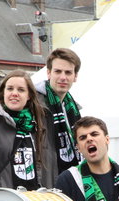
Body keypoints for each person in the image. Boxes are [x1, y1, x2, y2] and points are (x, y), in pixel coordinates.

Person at [0, 69, 48, 189]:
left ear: (29, 95)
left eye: (21, 90)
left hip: (28, 200)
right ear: (3, 92)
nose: (14, 93)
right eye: (10, 88)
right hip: (0, 199)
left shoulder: (35, 124)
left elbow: (37, 163)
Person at [36, 48, 82, 180]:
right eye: (58, 71)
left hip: (68, 181)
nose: (63, 77)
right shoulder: (32, 105)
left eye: (68, 72)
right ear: (49, 73)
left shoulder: (74, 109)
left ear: (75, 76)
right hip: (43, 185)